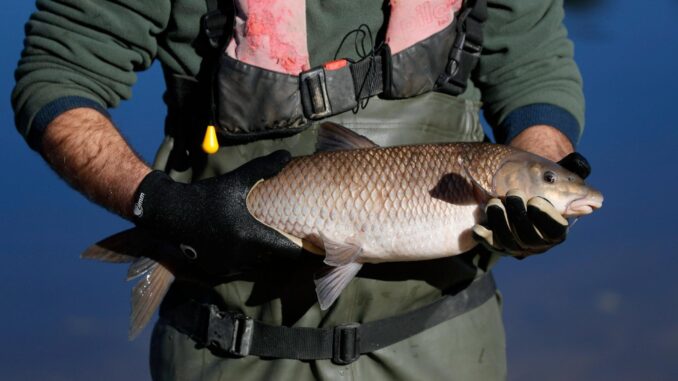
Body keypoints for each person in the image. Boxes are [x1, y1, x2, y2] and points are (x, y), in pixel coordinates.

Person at [12, 0, 591, 379]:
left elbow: (533, 69)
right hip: (226, 350)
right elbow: (58, 77)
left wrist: (540, 177)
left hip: (444, 347)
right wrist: (159, 207)